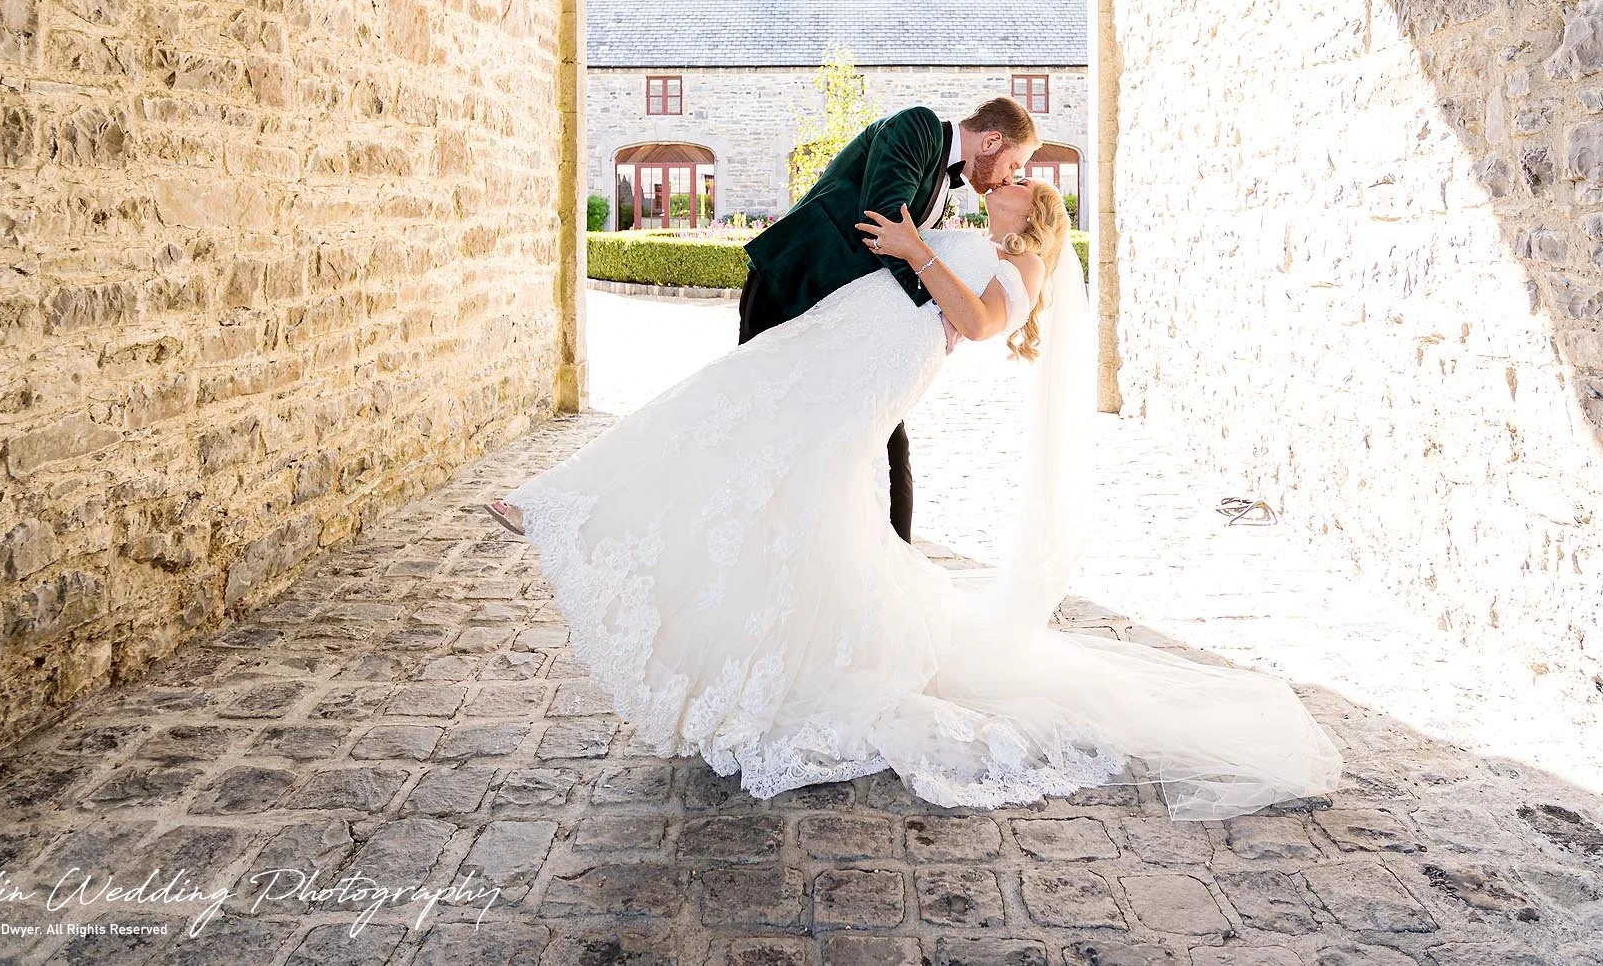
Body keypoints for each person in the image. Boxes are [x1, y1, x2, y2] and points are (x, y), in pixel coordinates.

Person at [490, 178, 1343, 813]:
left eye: (1011, 189)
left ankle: (602, 529)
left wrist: (917, 250)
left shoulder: (1028, 265)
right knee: (749, 421)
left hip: (876, 364)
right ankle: (612, 529)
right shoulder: (986, 239)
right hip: (853, 343)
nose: (996, 190)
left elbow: (976, 323)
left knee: (769, 443)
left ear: (1032, 215)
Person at [737, 97, 1039, 544]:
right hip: (791, 289)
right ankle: (746, 537)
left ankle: (882, 559)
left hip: (844, 319)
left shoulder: (946, 179)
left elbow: (905, 244)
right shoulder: (917, 127)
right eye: (1013, 165)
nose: (1009, 177)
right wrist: (937, 311)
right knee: (760, 417)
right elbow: (881, 228)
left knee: (879, 438)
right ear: (992, 140)